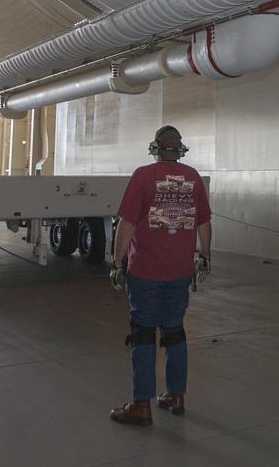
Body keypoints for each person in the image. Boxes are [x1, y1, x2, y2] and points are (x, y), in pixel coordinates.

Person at [109, 125, 212, 427]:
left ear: (155, 149)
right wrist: (205, 256)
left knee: (143, 332)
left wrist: (117, 262)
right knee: (174, 331)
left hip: (145, 272)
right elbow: (204, 224)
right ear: (180, 150)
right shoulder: (193, 178)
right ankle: (175, 395)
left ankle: (141, 404)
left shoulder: (143, 176)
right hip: (180, 271)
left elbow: (126, 224)